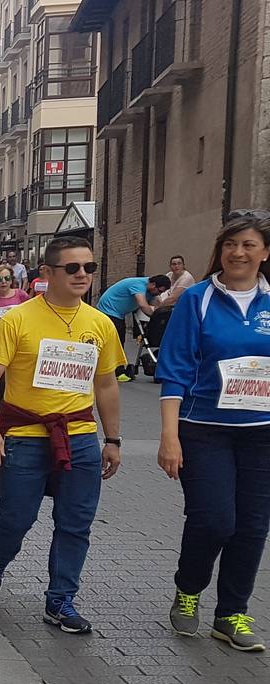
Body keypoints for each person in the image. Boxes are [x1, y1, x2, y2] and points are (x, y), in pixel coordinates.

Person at [0, 235, 124, 635]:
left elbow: (107, 384)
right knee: (16, 518)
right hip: (25, 437)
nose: (82, 275)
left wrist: (113, 439)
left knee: (75, 523)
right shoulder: (19, 320)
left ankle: (61, 600)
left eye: (89, 268)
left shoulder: (100, 324)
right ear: (47, 273)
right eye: (72, 268)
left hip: (80, 437)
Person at [156, 215, 270, 651]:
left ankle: (231, 615)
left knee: (252, 526)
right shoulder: (198, 299)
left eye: (248, 245)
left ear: (265, 252)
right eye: (229, 245)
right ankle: (188, 590)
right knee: (214, 519)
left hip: (261, 433)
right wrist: (169, 436)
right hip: (204, 430)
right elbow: (176, 370)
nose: (237, 253)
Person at [95, 273, 170, 381]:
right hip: (108, 311)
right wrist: (156, 319)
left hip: (119, 314)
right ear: (153, 285)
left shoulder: (151, 290)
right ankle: (117, 371)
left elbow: (158, 303)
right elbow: (143, 305)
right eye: (159, 291)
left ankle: (114, 368)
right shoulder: (138, 285)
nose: (159, 293)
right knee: (117, 341)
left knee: (119, 340)